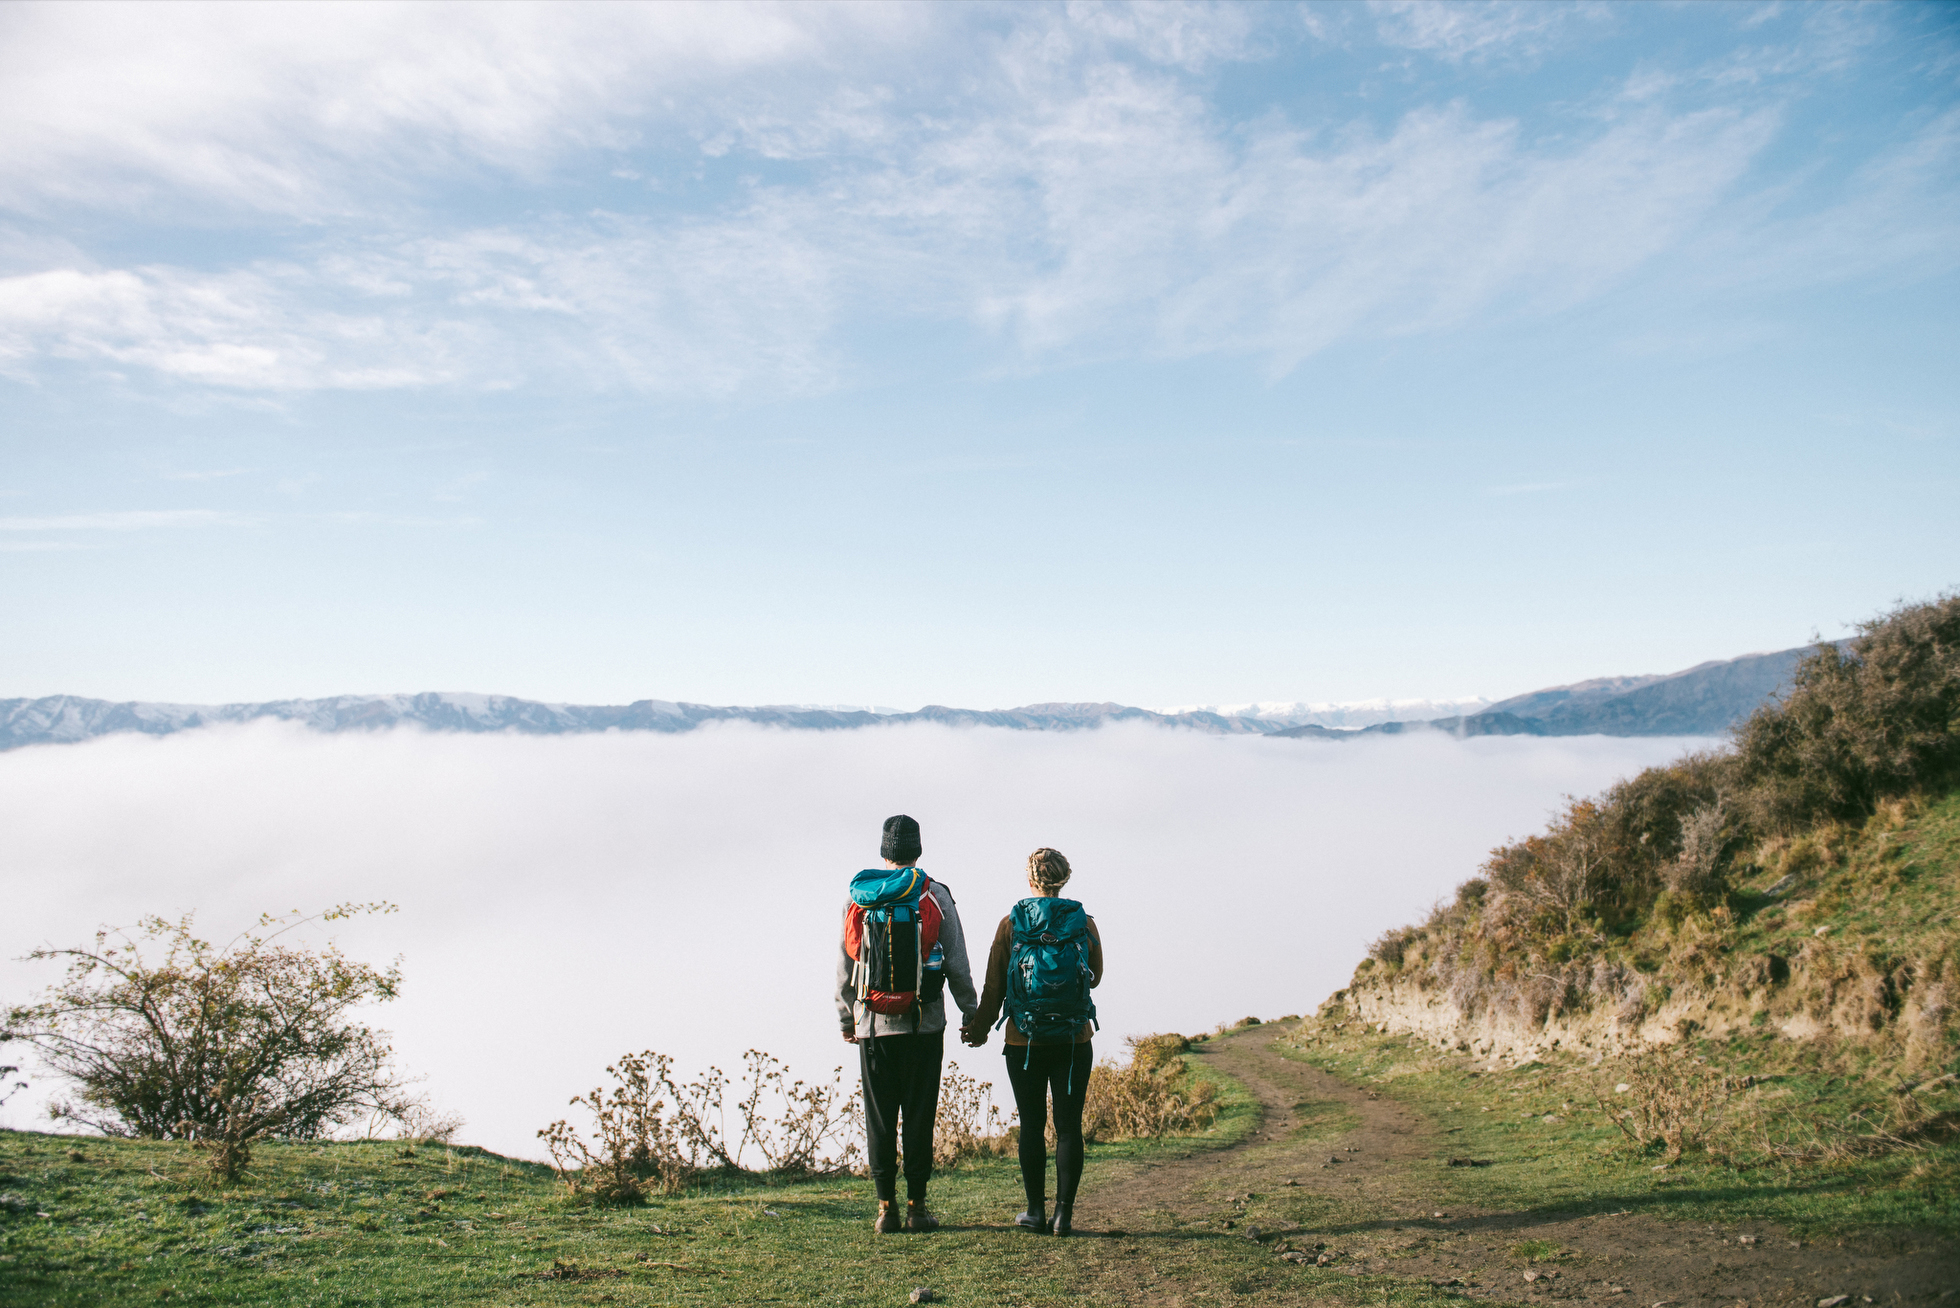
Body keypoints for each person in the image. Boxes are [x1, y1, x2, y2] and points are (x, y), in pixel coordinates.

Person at [835, 814, 978, 1234]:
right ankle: (917, 1208)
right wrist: (971, 1012)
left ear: (884, 853)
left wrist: (847, 1018)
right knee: (919, 1114)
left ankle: (885, 1210)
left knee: (879, 1118)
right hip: (924, 1024)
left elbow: (845, 968)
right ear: (917, 851)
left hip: (873, 1027)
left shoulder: (858, 899)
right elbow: (957, 962)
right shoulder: (934, 894)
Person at [961, 847, 1103, 1238]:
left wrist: (977, 1028)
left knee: (1032, 1125)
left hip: (1023, 1041)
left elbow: (994, 986)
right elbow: (1095, 977)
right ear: (1064, 879)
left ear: (1030, 880)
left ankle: (1035, 1212)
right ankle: (1064, 1216)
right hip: (1074, 1039)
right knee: (1069, 1127)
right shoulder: (1084, 923)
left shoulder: (1011, 923)